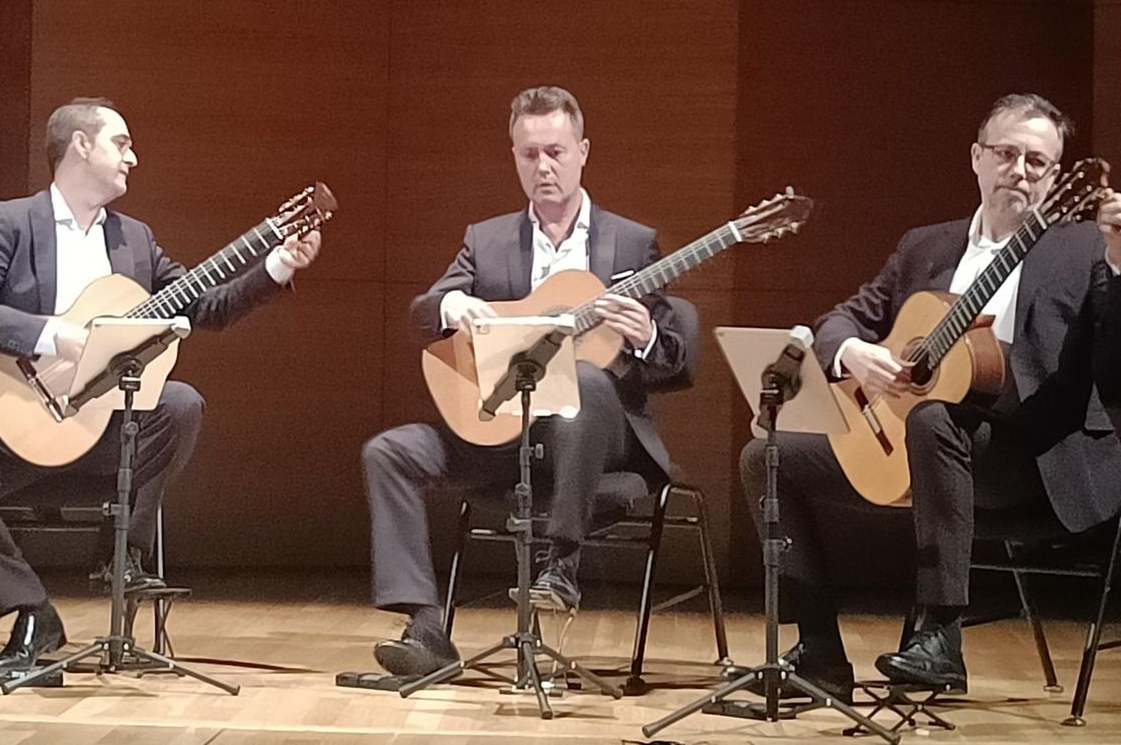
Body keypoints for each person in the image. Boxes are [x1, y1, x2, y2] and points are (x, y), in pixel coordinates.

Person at [0, 96, 321, 685]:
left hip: (105, 433)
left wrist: (278, 265)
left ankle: (120, 555)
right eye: (122, 143)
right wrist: (55, 337)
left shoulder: (134, 239)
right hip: (14, 424)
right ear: (80, 145)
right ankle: (32, 614)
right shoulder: (12, 221)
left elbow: (204, 305)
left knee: (180, 402)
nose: (133, 158)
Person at [739, 93, 1121, 699]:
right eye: (1006, 154)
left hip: (1031, 459)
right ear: (976, 157)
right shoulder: (926, 246)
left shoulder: (1084, 251)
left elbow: (1115, 366)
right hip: (919, 446)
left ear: (1057, 178)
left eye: (1037, 162)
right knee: (768, 457)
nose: (1019, 171)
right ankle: (818, 652)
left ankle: (940, 637)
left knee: (934, 418)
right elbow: (842, 318)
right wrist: (852, 355)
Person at [361, 85, 695, 677]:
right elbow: (421, 313)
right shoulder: (485, 240)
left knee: (587, 380)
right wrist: (452, 305)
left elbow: (675, 363)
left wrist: (643, 335)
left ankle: (559, 565)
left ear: (583, 151)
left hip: (599, 438)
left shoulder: (631, 243)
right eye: (528, 154)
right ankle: (426, 627)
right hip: (505, 433)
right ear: (513, 156)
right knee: (390, 452)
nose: (543, 166)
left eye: (556, 152)